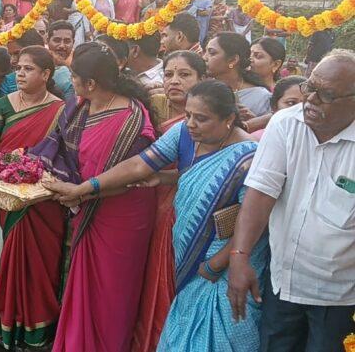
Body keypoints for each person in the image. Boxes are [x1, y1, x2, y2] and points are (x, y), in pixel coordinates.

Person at [61, 79, 263, 351]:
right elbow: (138, 165)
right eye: (189, 114)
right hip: (191, 257)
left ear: (229, 119)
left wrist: (215, 264)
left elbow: (254, 225)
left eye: (201, 118)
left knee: (222, 335)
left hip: (223, 265)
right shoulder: (184, 133)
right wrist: (87, 188)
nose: (190, 123)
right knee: (183, 333)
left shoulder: (249, 159)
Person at [228, 50, 355, 352]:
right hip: (282, 283)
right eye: (309, 87)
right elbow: (260, 194)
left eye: (326, 95)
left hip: (341, 296)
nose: (310, 100)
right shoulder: (285, 123)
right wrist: (239, 256)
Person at [35, 42, 155, 352]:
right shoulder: (79, 105)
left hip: (121, 215)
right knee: (83, 282)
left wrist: (80, 192)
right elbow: (58, 148)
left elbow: (134, 178)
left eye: (74, 76)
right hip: (86, 203)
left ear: (91, 83)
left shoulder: (131, 119)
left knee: (111, 292)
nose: (70, 81)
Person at [0, 46, 66, 350]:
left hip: (42, 198)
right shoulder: (4, 104)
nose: (19, 73)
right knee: (7, 253)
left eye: (28, 68)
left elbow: (65, 156)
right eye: (18, 67)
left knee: (41, 260)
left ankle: (37, 323)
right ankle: (7, 317)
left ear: (46, 74)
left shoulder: (61, 109)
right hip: (7, 192)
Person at [131, 50, 206, 352]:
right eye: (169, 74)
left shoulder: (204, 124)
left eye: (185, 74)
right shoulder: (157, 111)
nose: (174, 80)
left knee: (167, 279)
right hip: (150, 203)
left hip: (180, 211)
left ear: (203, 80)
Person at [204, 32, 272, 118]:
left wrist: (253, 122)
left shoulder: (261, 97)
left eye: (212, 53)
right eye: (205, 52)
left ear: (233, 60)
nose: (204, 57)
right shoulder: (204, 89)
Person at [250, 75, 305, 141]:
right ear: (274, 107)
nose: (299, 109)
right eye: (291, 103)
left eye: (305, 103)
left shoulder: (315, 141)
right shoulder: (257, 140)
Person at [1, 29, 46, 97]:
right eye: (10, 55)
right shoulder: (9, 83)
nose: (12, 61)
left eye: (17, 53)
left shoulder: (60, 79)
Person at [46, 20, 76, 99]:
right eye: (57, 40)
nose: (62, 45)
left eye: (67, 41)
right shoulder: (37, 63)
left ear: (73, 42)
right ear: (47, 41)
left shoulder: (80, 63)